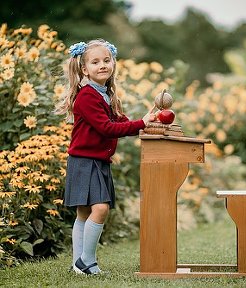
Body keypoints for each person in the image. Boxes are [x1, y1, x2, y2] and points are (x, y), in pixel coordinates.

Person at [55, 39, 156, 274]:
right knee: (99, 209)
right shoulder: (88, 96)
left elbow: (119, 122)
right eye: (95, 62)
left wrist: (143, 123)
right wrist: (141, 124)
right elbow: (107, 128)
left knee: (84, 212)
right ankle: (86, 262)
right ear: (84, 69)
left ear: (113, 64)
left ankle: (78, 265)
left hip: (95, 161)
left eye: (106, 60)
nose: (102, 65)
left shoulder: (104, 94)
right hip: (84, 161)